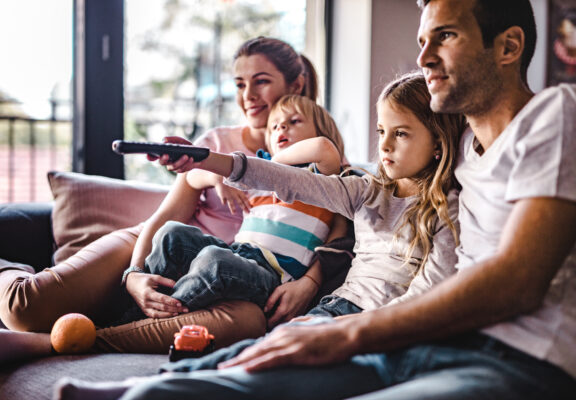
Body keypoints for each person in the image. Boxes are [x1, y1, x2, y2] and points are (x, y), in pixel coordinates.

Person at [54, 0, 576, 399]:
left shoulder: (563, 111)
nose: (424, 56)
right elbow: (300, 179)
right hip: (432, 343)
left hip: (528, 363)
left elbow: (516, 281)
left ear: (507, 46)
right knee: (186, 389)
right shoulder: (460, 154)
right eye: (421, 40)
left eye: (446, 37)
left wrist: (345, 332)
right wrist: (207, 160)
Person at [53, 71, 467, 400]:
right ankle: (145, 386)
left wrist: (360, 331)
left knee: (265, 361)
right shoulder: (366, 190)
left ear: (438, 142)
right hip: (332, 307)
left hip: (371, 322)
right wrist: (209, 161)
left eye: (401, 133)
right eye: (381, 132)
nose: (385, 146)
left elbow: (429, 292)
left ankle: (143, 385)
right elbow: (285, 180)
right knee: (251, 353)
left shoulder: (449, 213)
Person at [0, 36, 331, 361]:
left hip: (231, 282)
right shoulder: (217, 142)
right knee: (23, 309)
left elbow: (342, 234)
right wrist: (134, 274)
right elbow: (166, 218)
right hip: (154, 252)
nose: (248, 96)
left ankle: (73, 341)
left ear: (297, 83)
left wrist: (309, 283)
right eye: (240, 84)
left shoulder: (324, 163)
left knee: (249, 322)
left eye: (261, 82)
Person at [114, 94, 348, 326]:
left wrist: (274, 162)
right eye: (274, 126)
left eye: (294, 121)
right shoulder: (263, 178)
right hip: (237, 253)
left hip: (273, 275)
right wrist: (215, 176)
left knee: (214, 261)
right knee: (171, 234)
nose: (281, 127)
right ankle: (142, 306)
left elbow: (324, 148)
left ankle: (144, 323)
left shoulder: (322, 180)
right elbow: (194, 177)